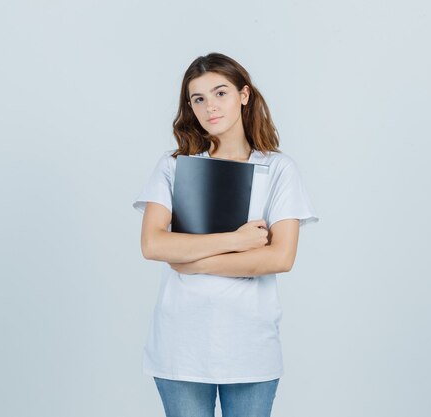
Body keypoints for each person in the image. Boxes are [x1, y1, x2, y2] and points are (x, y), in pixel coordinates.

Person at [132, 52, 319, 417]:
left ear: (244, 95)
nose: (209, 107)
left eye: (220, 93)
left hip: (250, 343)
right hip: (181, 343)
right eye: (197, 98)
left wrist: (193, 261)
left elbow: (280, 258)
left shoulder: (278, 169)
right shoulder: (174, 166)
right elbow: (153, 244)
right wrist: (237, 240)